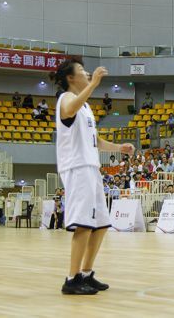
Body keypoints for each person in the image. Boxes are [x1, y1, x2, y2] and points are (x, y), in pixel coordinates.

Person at [51, 57, 135, 295]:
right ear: (70, 78)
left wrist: (119, 148)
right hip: (77, 167)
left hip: (91, 166)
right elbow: (69, 110)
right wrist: (94, 84)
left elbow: (95, 141)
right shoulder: (66, 99)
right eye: (82, 71)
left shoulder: (85, 106)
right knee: (83, 225)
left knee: (100, 224)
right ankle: (71, 279)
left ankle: (86, 274)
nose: (87, 73)